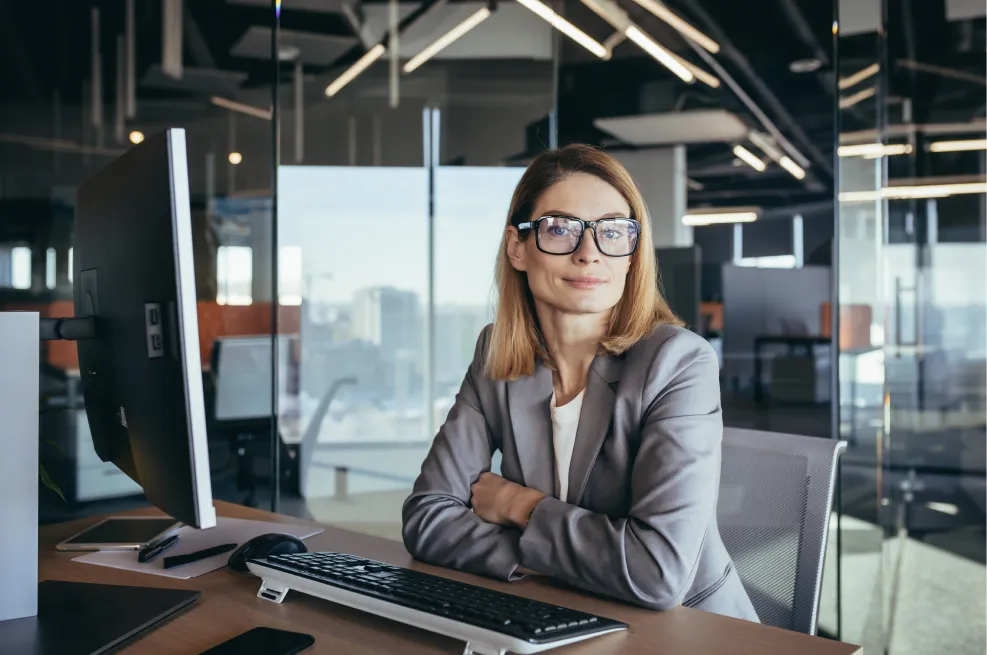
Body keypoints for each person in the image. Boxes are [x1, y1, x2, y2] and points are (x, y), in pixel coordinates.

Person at [402, 144, 757, 621]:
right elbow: (428, 520)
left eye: (612, 231)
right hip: (559, 616)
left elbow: (656, 571)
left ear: (632, 255)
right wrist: (564, 560)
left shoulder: (677, 363)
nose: (589, 254)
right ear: (518, 248)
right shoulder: (498, 354)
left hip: (687, 632)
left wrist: (519, 505)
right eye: (560, 228)